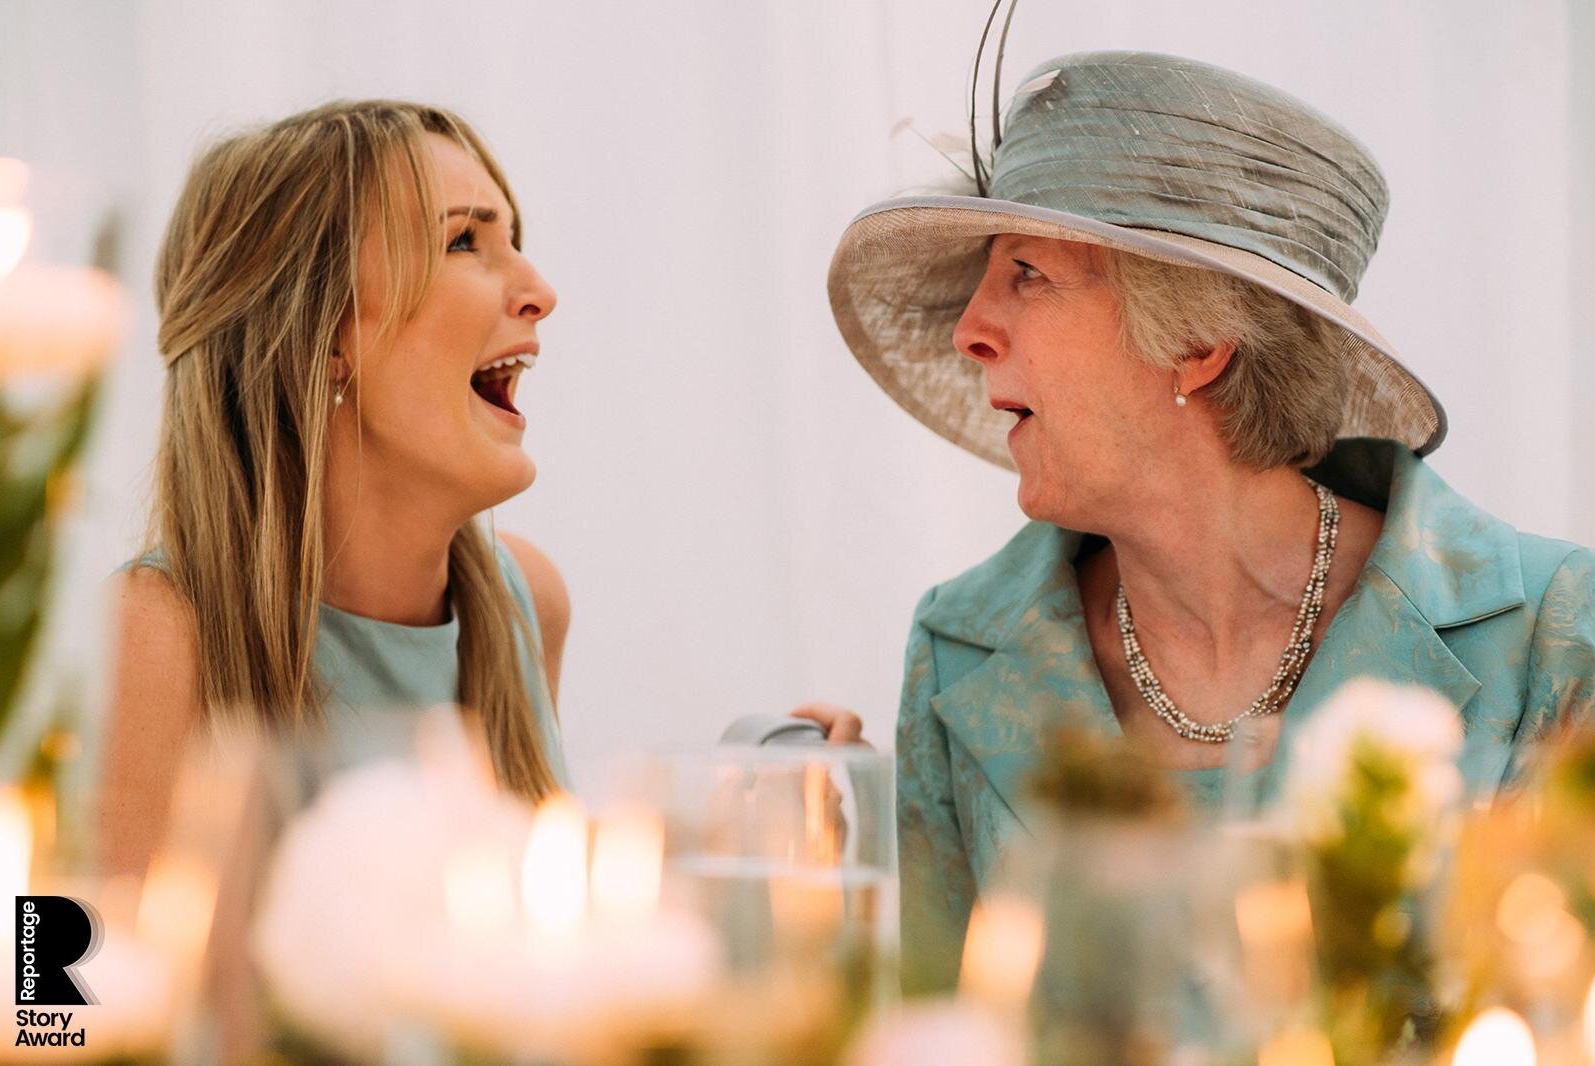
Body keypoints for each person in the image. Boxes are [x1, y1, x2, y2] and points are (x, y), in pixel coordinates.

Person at [826, 50, 1595, 992]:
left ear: (1196, 344)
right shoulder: (960, 651)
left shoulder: (1550, 636)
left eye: (1027, 273)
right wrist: (834, 892)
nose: (971, 327)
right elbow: (937, 1031)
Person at [103, 100, 859, 878]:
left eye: (514, 241)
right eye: (464, 240)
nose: (540, 291)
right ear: (321, 334)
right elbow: (51, 994)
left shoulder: (524, 603)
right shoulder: (149, 637)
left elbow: (521, 965)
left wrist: (743, 834)